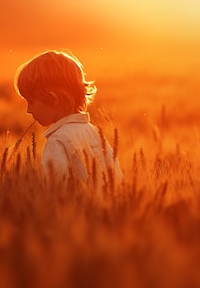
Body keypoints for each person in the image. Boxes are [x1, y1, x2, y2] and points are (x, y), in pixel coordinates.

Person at [14, 50, 122, 186]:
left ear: (53, 99)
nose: (28, 110)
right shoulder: (96, 134)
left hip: (75, 208)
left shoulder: (57, 142)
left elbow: (55, 192)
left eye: (31, 102)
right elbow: (117, 180)